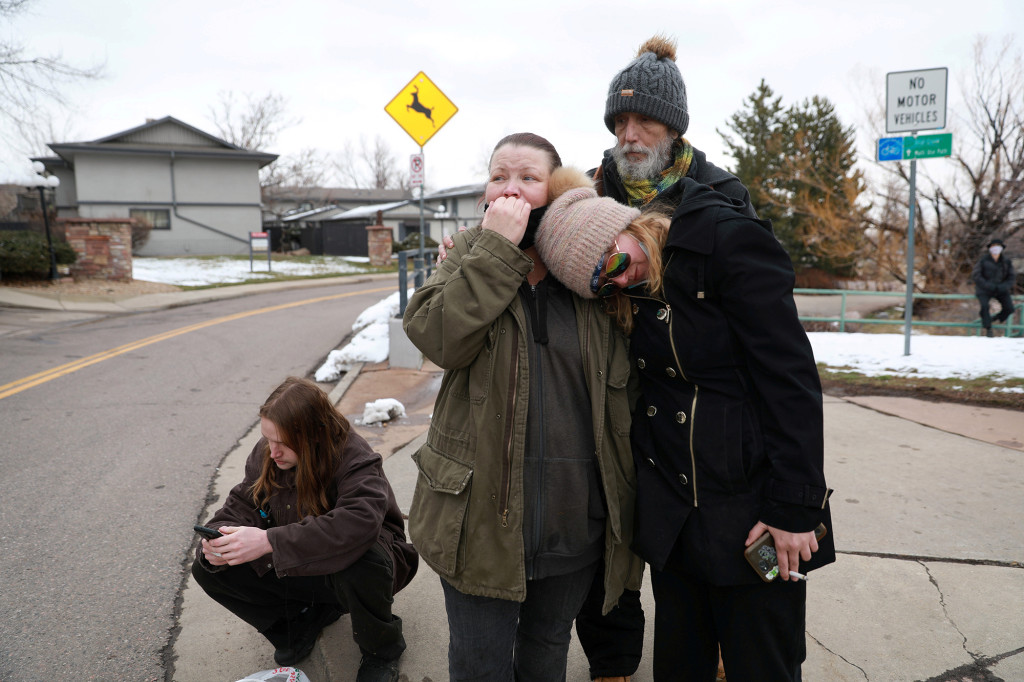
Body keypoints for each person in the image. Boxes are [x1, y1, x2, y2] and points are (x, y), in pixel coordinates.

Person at [534, 178, 836, 682]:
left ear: (625, 227)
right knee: (679, 667)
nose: (619, 282)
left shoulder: (726, 242)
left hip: (753, 511)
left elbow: (791, 382)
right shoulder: (631, 291)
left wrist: (794, 507)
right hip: (675, 523)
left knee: (763, 664)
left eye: (612, 263)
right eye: (603, 284)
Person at [402, 133, 644, 681]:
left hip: (572, 523)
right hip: (478, 526)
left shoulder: (590, 276)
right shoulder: (468, 257)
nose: (510, 190)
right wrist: (494, 252)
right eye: (498, 177)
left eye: (528, 178)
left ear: (556, 192)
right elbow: (437, 338)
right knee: (479, 663)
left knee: (546, 655)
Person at [576, 33, 758, 682]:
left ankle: (708, 648)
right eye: (620, 121)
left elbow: (759, 327)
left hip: (696, 403)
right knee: (611, 544)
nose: (630, 134)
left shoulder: (719, 195)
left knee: (698, 548)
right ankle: (613, 664)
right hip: (613, 390)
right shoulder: (591, 192)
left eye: (645, 119)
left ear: (674, 127)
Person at [191, 376, 418, 682]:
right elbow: (242, 505)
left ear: (314, 434)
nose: (273, 452)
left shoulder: (354, 456)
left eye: (283, 443)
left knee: (364, 559)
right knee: (208, 569)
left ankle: (382, 649)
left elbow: (359, 522)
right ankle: (297, 626)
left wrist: (269, 541)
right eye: (268, 439)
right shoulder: (268, 454)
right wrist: (216, 542)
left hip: (367, 567)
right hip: (302, 565)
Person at [972, 238, 1016, 337]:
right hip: (984, 289)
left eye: (998, 246)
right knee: (984, 306)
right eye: (993, 246)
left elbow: (1012, 276)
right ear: (990, 248)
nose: (995, 248)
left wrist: (1004, 286)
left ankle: (994, 319)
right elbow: (976, 275)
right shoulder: (983, 260)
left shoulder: (1006, 261)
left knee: (1009, 308)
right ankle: (988, 328)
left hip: (1001, 289)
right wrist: (987, 285)